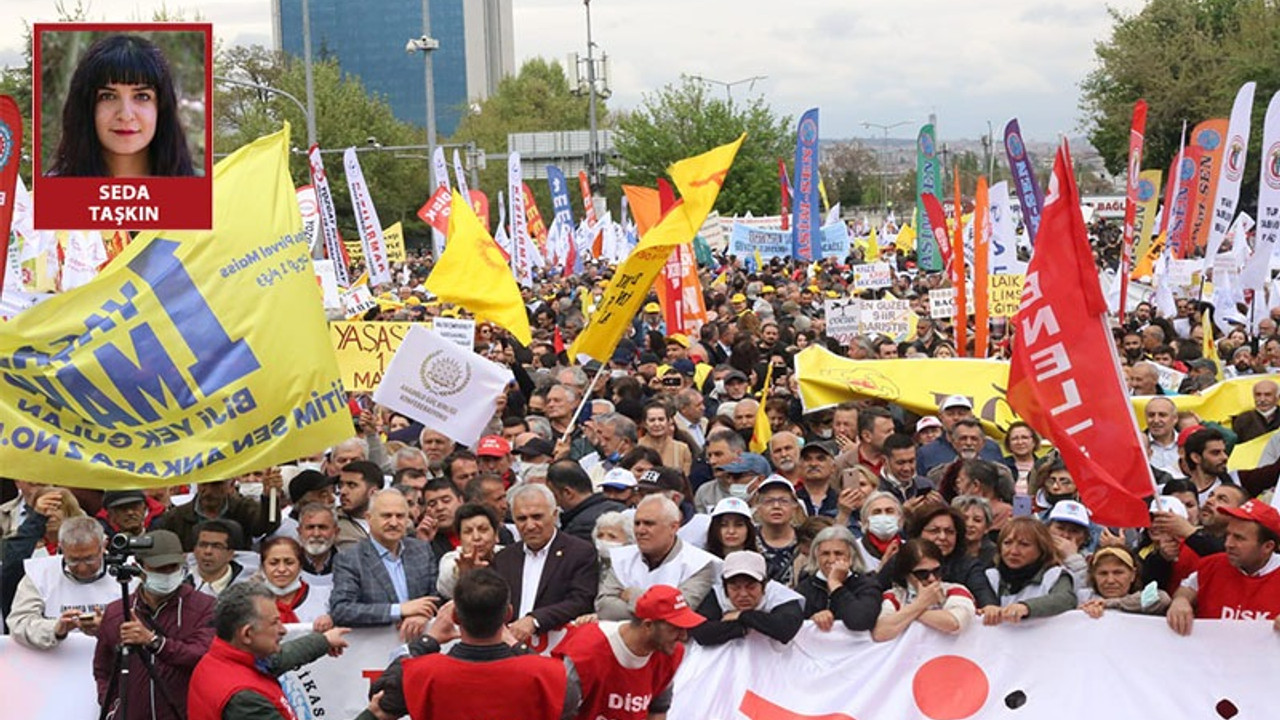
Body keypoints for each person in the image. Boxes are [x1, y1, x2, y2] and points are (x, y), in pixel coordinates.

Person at [368, 569, 579, 720]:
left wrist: (427, 641)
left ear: (455, 617)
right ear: (508, 614)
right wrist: (516, 645)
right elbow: (570, 700)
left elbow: (381, 699)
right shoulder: (546, 675)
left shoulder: (422, 673)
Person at [93, 530, 216, 720]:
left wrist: (154, 642)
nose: (167, 574)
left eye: (172, 567)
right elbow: (103, 669)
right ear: (139, 568)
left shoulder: (205, 607)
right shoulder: (117, 612)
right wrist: (113, 708)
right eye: (159, 568)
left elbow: (203, 656)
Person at [186, 582, 351, 720]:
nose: (283, 630)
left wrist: (325, 640)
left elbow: (280, 658)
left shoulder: (220, 660)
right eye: (274, 623)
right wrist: (371, 715)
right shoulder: (245, 698)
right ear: (247, 634)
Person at [49, 34, 196, 178]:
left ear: (161, 108)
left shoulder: (204, 193)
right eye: (108, 96)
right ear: (86, 107)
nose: (126, 115)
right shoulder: (43, 197)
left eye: (141, 96)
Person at [554, 585, 703, 720]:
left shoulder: (669, 653)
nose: (683, 636)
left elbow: (658, 709)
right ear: (648, 625)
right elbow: (558, 712)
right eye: (675, 628)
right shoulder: (587, 651)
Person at [492, 483, 599, 642]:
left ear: (554, 515)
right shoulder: (504, 558)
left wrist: (535, 620)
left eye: (537, 517)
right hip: (510, 649)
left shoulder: (580, 552)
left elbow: (580, 601)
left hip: (558, 648)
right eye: (521, 519)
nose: (529, 525)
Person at [328, 490, 440, 638]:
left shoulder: (422, 550)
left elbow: (437, 597)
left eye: (400, 516)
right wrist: (398, 610)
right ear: (369, 518)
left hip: (420, 646)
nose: (394, 523)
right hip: (374, 652)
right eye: (386, 516)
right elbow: (341, 610)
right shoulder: (350, 559)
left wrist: (423, 615)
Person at [1167, 499, 1280, 633]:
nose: (1228, 544)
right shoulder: (1212, 565)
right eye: (1228, 535)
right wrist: (1180, 601)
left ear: (1268, 547)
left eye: (1239, 538)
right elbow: (1186, 589)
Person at [597, 495, 717, 620]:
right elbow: (605, 609)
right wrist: (658, 608)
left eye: (649, 523)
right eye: (637, 523)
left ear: (673, 527)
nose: (640, 530)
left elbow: (678, 614)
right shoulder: (620, 557)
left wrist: (633, 595)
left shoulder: (699, 563)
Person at [8, 516, 119, 650]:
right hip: (57, 665)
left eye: (90, 559)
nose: (82, 568)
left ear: (103, 546)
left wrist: (109, 627)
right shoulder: (40, 574)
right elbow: (19, 623)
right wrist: (56, 628)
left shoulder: (127, 572)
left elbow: (145, 625)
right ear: (61, 548)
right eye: (73, 560)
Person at [690, 550, 804, 646]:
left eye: (751, 587)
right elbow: (701, 633)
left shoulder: (779, 594)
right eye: (735, 588)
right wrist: (744, 626)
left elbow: (786, 630)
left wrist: (742, 615)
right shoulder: (717, 594)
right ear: (725, 587)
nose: (743, 594)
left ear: (764, 585)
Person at [873, 539, 976, 641]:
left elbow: (954, 623)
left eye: (936, 571)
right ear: (906, 575)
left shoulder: (955, 590)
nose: (932, 578)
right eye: (922, 574)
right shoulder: (893, 597)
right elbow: (880, 633)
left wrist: (909, 612)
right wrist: (920, 603)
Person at [979, 517, 1076, 625]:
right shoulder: (990, 576)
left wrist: (1027, 607)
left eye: (1024, 544)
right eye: (1007, 543)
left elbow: (1066, 599)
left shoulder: (1054, 575)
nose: (1014, 551)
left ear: (1042, 548)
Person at [154, 477, 281, 551]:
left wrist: (270, 498)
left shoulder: (243, 508)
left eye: (216, 484)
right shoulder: (175, 517)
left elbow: (267, 526)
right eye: (204, 484)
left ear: (230, 485)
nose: (209, 491)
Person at [796, 525, 881, 632]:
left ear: (851, 556)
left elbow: (860, 622)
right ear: (816, 556)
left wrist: (835, 584)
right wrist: (812, 621)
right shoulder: (804, 588)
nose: (832, 559)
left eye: (838, 553)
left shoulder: (867, 584)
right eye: (825, 554)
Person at [256, 537, 333, 629]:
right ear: (263, 567)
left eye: (289, 563)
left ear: (300, 566)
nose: (282, 569)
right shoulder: (251, 602)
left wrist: (332, 619)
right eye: (273, 563)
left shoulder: (326, 597)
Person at [547, 460, 626, 543]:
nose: (555, 502)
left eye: (554, 496)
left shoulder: (579, 527)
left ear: (567, 493)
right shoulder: (621, 508)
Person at [1079, 547, 1171, 618]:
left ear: (1133, 575)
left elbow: (1162, 598)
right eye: (1103, 573)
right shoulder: (1083, 597)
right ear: (1094, 576)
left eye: (1118, 573)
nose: (1110, 580)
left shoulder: (1138, 601)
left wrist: (1109, 604)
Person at [436, 503, 503, 600]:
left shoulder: (508, 554)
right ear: (459, 539)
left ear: (496, 534)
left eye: (483, 530)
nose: (476, 537)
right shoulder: (450, 559)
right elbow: (446, 581)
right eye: (468, 531)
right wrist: (461, 572)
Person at [754, 475, 802, 585]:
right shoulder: (748, 538)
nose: (776, 506)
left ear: (794, 506)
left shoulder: (805, 538)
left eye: (783, 501)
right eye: (768, 501)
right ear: (758, 507)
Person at [186, 519, 250, 598]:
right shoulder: (180, 581)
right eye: (203, 545)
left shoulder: (246, 587)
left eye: (217, 546)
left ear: (230, 554)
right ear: (194, 550)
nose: (208, 551)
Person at [335, 460, 382, 549]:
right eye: (341, 485)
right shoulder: (335, 523)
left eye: (352, 485)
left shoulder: (393, 521)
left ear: (373, 492)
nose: (342, 491)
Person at [855, 491, 903, 572]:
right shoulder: (855, 550)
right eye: (877, 512)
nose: (883, 516)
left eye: (889, 511)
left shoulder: (909, 549)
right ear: (865, 520)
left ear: (900, 519)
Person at [953, 495, 997, 565]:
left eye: (977, 520)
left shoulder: (995, 555)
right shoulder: (947, 552)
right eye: (964, 519)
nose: (970, 524)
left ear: (987, 527)